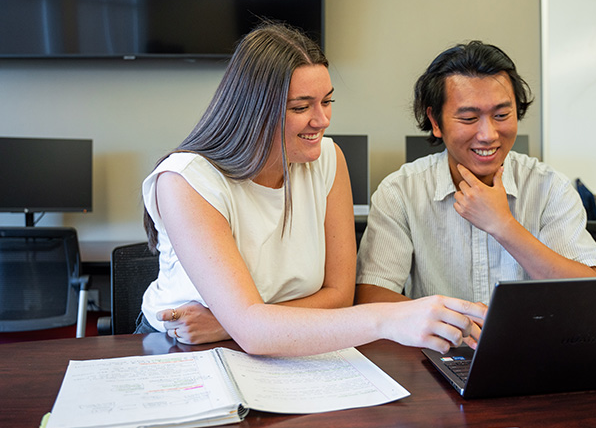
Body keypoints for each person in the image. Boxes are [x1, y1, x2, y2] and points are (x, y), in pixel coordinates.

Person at [137, 21, 485, 356]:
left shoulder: (329, 160)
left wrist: (233, 323)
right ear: (253, 110)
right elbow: (254, 330)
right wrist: (388, 318)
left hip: (280, 341)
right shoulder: (185, 181)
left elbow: (338, 295)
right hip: (181, 344)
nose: (322, 120)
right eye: (301, 107)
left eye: (327, 101)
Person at [355, 41, 596, 305]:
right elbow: (372, 298)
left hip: (534, 345)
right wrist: (459, 321)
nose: (488, 135)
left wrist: (503, 226)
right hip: (437, 345)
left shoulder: (551, 188)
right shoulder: (400, 193)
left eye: (501, 114)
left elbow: (594, 297)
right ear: (435, 122)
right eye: (469, 118)